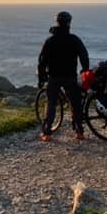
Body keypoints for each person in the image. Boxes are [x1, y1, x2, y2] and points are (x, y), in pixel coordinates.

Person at [37, 10, 90, 141]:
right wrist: (84, 70)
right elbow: (84, 55)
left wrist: (41, 78)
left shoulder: (50, 41)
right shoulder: (74, 39)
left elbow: (42, 61)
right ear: (69, 23)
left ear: (57, 22)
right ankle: (79, 132)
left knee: (51, 103)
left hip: (54, 77)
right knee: (75, 104)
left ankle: (47, 133)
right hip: (70, 77)